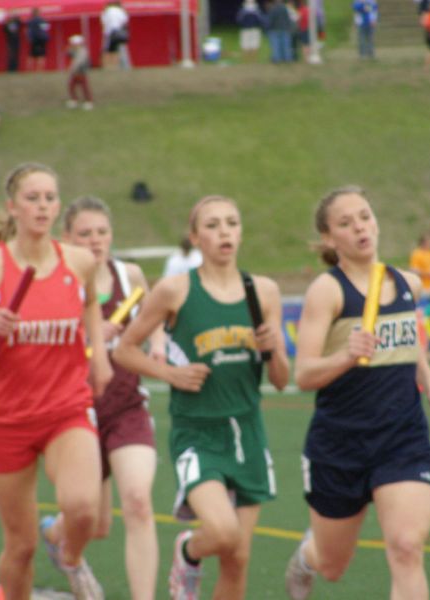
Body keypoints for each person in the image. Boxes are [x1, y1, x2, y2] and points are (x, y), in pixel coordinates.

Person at [0, 163, 112, 600]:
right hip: (6, 419)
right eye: (32, 198)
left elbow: (92, 302)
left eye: (49, 198)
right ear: (12, 208)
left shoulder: (77, 261)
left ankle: (71, 558)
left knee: (83, 509)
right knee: (20, 547)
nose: (42, 206)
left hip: (66, 407)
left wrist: (98, 356)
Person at [114, 194, 290, 599]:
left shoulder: (263, 292)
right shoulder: (175, 290)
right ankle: (189, 551)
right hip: (198, 432)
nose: (224, 231)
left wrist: (275, 347)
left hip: (247, 432)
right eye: (212, 225)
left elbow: (281, 379)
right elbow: (125, 348)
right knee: (224, 533)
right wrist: (170, 373)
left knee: (238, 557)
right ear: (195, 237)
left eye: (231, 222)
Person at [284, 186, 430, 600]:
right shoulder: (328, 291)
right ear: (329, 238)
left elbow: (408, 340)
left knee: (407, 547)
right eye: (346, 223)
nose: (360, 227)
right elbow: (303, 374)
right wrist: (346, 355)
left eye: (364, 216)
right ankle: (307, 556)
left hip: (402, 440)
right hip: (340, 444)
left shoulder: (407, 282)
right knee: (332, 566)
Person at [41, 196, 165, 600]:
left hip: (125, 406)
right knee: (94, 524)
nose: (95, 241)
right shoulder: (58, 281)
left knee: (138, 502)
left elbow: (153, 313)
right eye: (85, 233)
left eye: (102, 232)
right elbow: (44, 346)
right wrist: (90, 333)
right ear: (67, 237)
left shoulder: (129, 275)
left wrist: (158, 345)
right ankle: (57, 535)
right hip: (76, 410)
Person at [65, 35, 93, 110]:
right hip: (75, 72)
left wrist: (73, 69)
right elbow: (68, 53)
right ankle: (74, 100)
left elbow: (79, 62)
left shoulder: (82, 51)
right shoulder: (74, 50)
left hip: (81, 72)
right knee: (71, 86)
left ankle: (88, 102)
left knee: (84, 87)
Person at [101, 1, 131, 70]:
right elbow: (125, 21)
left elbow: (104, 22)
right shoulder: (120, 11)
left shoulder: (106, 11)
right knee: (122, 50)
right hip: (119, 32)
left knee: (107, 51)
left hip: (109, 33)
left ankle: (107, 68)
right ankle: (126, 67)